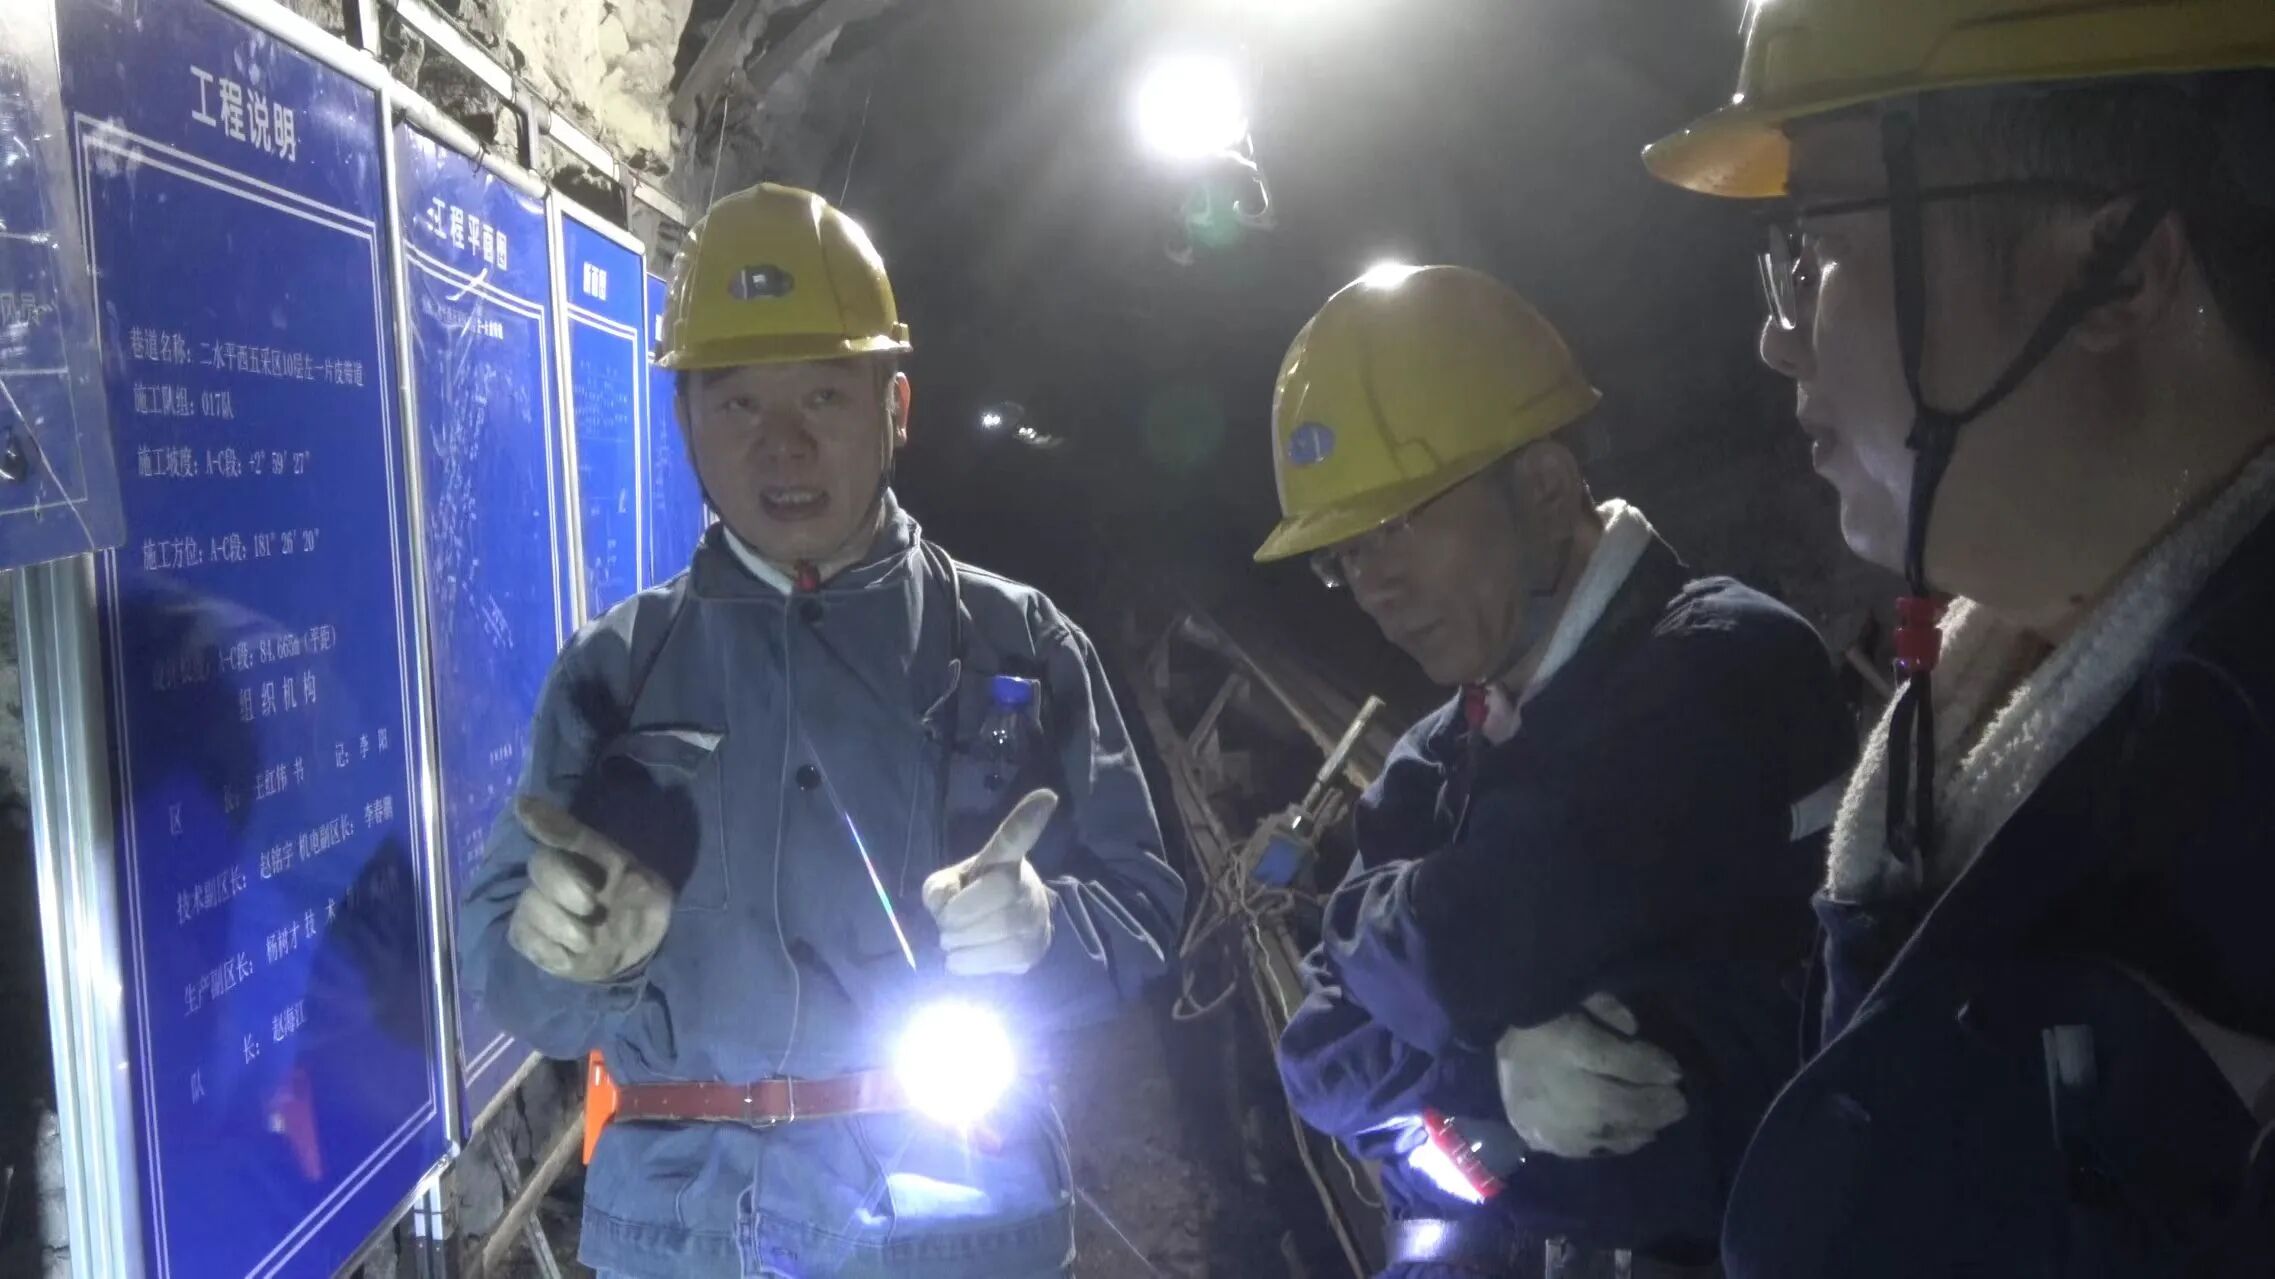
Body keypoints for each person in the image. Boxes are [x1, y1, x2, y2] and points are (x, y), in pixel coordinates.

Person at [1643, 3, 2275, 1273]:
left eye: (1817, 247)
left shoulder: (2231, 799)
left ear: (2117, 268)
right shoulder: (1984, 719)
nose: (1776, 334)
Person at [457, 183, 1183, 1279]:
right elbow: (508, 968)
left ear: (896, 409)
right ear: (685, 422)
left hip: (954, 1227)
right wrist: (566, 951)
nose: (783, 446)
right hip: (686, 1237)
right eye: (738, 404)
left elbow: (1146, 904)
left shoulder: (1021, 644)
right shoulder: (618, 668)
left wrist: (1045, 929)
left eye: (825, 397)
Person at [1263, 265, 1855, 1276]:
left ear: (1541, 488)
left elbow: (1476, 943)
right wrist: (1487, 1071)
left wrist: (1359, 932)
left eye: (1397, 526)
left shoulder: (1722, 665)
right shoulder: (1432, 756)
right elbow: (1310, 1058)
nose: (1372, 587)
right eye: (1344, 556)